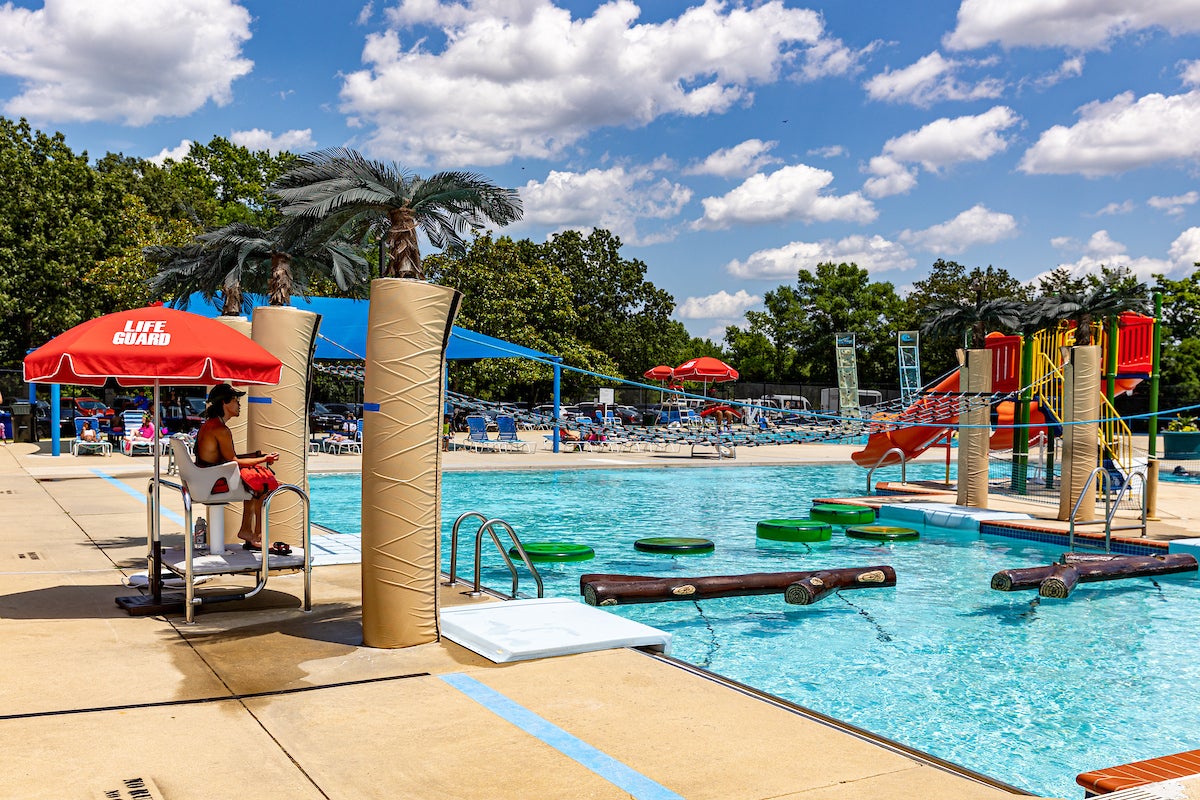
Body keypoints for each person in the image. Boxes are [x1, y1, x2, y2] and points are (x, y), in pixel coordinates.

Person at [193, 383, 288, 554]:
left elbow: (227, 459)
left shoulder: (211, 425)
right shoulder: (221, 429)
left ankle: (247, 531)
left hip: (205, 476)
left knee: (256, 478)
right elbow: (233, 461)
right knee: (262, 485)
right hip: (212, 482)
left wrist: (257, 455)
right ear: (225, 403)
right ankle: (258, 537)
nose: (239, 405)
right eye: (236, 401)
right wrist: (263, 459)